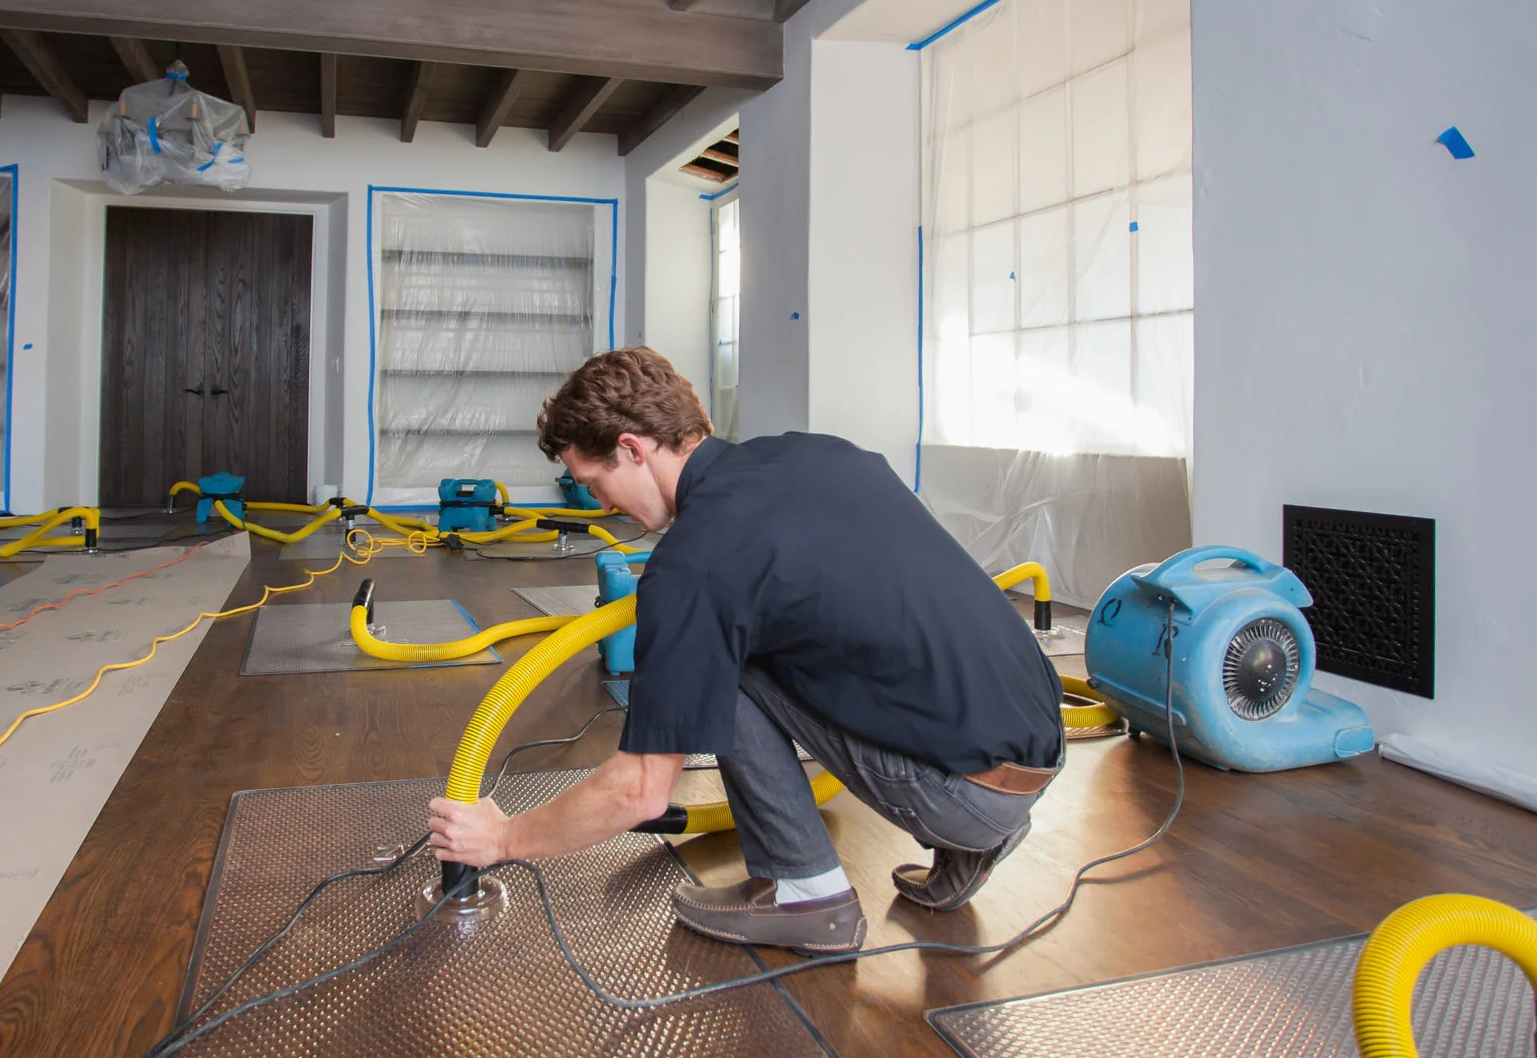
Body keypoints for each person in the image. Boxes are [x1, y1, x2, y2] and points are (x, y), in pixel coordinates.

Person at [427, 348, 1065, 956]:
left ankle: (806, 894)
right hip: (1042, 740)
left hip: (969, 794)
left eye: (596, 483)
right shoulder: (822, 454)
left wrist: (504, 837)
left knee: (722, 661)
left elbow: (640, 793)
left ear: (631, 448)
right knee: (768, 636)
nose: (600, 505)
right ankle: (978, 839)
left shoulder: (693, 563)